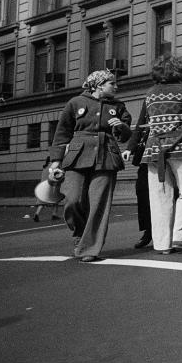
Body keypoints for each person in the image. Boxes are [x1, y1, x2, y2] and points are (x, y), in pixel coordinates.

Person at [47, 69, 132, 262]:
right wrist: (55, 163)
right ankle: (79, 235)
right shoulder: (75, 103)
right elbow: (62, 134)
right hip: (77, 157)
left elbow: (126, 135)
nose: (117, 86)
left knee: (98, 205)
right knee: (73, 200)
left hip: (106, 157)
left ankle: (89, 248)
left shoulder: (118, 106)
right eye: (112, 83)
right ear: (99, 85)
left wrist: (120, 126)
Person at [134, 55, 182, 254]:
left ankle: (162, 244)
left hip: (154, 150)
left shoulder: (150, 93)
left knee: (159, 197)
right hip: (181, 147)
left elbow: (142, 122)